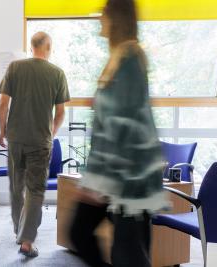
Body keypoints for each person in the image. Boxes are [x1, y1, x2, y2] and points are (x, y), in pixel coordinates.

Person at [69, 0, 168, 266]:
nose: (100, 18)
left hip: (128, 178)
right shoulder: (119, 58)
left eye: (104, 14)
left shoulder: (131, 59)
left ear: (117, 18)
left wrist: (99, 181)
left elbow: (126, 126)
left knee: (129, 254)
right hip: (111, 174)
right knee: (81, 233)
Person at [0, 32, 70, 257]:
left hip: (16, 139)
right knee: (35, 190)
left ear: (31, 47)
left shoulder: (15, 68)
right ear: (48, 47)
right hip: (40, 141)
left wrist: (3, 130)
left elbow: (2, 104)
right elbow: (60, 112)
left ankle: (18, 231)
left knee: (16, 187)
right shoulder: (57, 73)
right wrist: (51, 133)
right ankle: (27, 240)